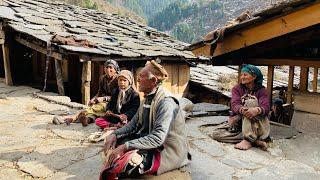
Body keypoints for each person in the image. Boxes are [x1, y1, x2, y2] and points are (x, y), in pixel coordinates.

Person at [100, 60, 190, 179]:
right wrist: (115, 134)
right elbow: (132, 125)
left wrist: (126, 146)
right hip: (147, 139)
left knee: (125, 163)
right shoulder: (147, 99)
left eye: (141, 76)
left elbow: (158, 138)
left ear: (153, 81)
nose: (137, 80)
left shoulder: (166, 102)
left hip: (165, 149)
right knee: (112, 140)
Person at [62, 60, 119, 126]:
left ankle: (72, 118)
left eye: (110, 68)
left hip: (114, 103)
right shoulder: (103, 78)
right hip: (104, 102)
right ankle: (87, 120)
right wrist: (93, 99)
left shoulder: (118, 79)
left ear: (115, 69)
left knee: (94, 108)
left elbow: (118, 96)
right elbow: (99, 92)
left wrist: (104, 99)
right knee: (94, 112)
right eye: (106, 67)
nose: (108, 70)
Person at [228, 64, 270, 151]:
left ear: (254, 77)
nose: (242, 77)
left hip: (258, 125)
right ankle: (255, 141)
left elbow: (265, 107)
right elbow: (235, 104)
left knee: (250, 101)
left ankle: (248, 140)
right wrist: (242, 110)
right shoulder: (237, 89)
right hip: (240, 124)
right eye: (241, 74)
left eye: (245, 74)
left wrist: (256, 110)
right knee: (216, 134)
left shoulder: (262, 91)